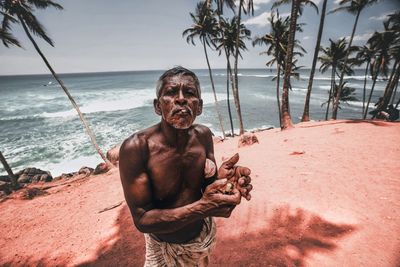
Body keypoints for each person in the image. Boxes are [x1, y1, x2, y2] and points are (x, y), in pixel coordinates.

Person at [119, 66, 253, 266]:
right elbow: (142, 219)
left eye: (189, 93)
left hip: (201, 240)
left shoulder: (203, 136)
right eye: (171, 93)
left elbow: (206, 185)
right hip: (162, 250)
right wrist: (203, 208)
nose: (181, 99)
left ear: (199, 107)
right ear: (158, 106)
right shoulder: (137, 148)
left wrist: (225, 180)